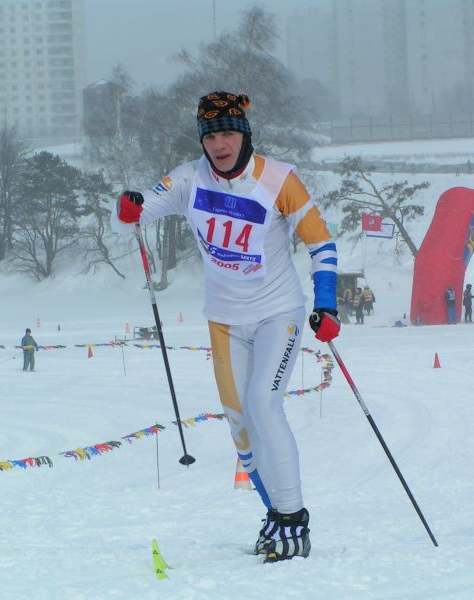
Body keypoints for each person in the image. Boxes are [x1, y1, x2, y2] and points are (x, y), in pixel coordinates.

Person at [111, 91, 340, 562]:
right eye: (211, 135)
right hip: (224, 320)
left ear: (245, 134)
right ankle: (275, 516)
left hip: (279, 312)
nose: (220, 144)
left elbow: (320, 242)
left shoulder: (279, 180)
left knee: (262, 403)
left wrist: (328, 303)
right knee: (240, 429)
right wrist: (128, 207)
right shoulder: (186, 179)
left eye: (229, 133)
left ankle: (295, 518)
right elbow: (129, 220)